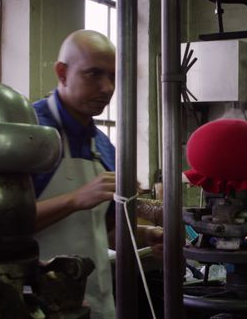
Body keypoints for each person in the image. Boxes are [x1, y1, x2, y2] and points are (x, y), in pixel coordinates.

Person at [31, 29, 163, 319]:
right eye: (94, 74)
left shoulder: (103, 146)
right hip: (36, 304)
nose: (107, 88)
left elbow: (104, 233)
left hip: (97, 303)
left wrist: (148, 235)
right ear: (62, 73)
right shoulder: (30, 135)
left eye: (113, 77)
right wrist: (75, 199)